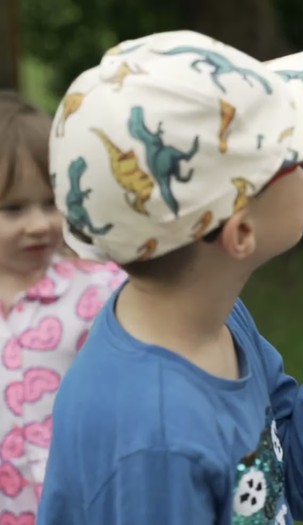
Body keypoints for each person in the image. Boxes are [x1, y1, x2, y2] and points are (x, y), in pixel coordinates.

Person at [36, 30, 303, 524]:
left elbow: (295, 483)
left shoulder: (216, 318)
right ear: (241, 232)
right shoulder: (157, 443)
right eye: (296, 158)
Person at [0, 91, 125, 521]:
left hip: (88, 505)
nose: (39, 224)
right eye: (12, 209)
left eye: (49, 202)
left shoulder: (102, 290)